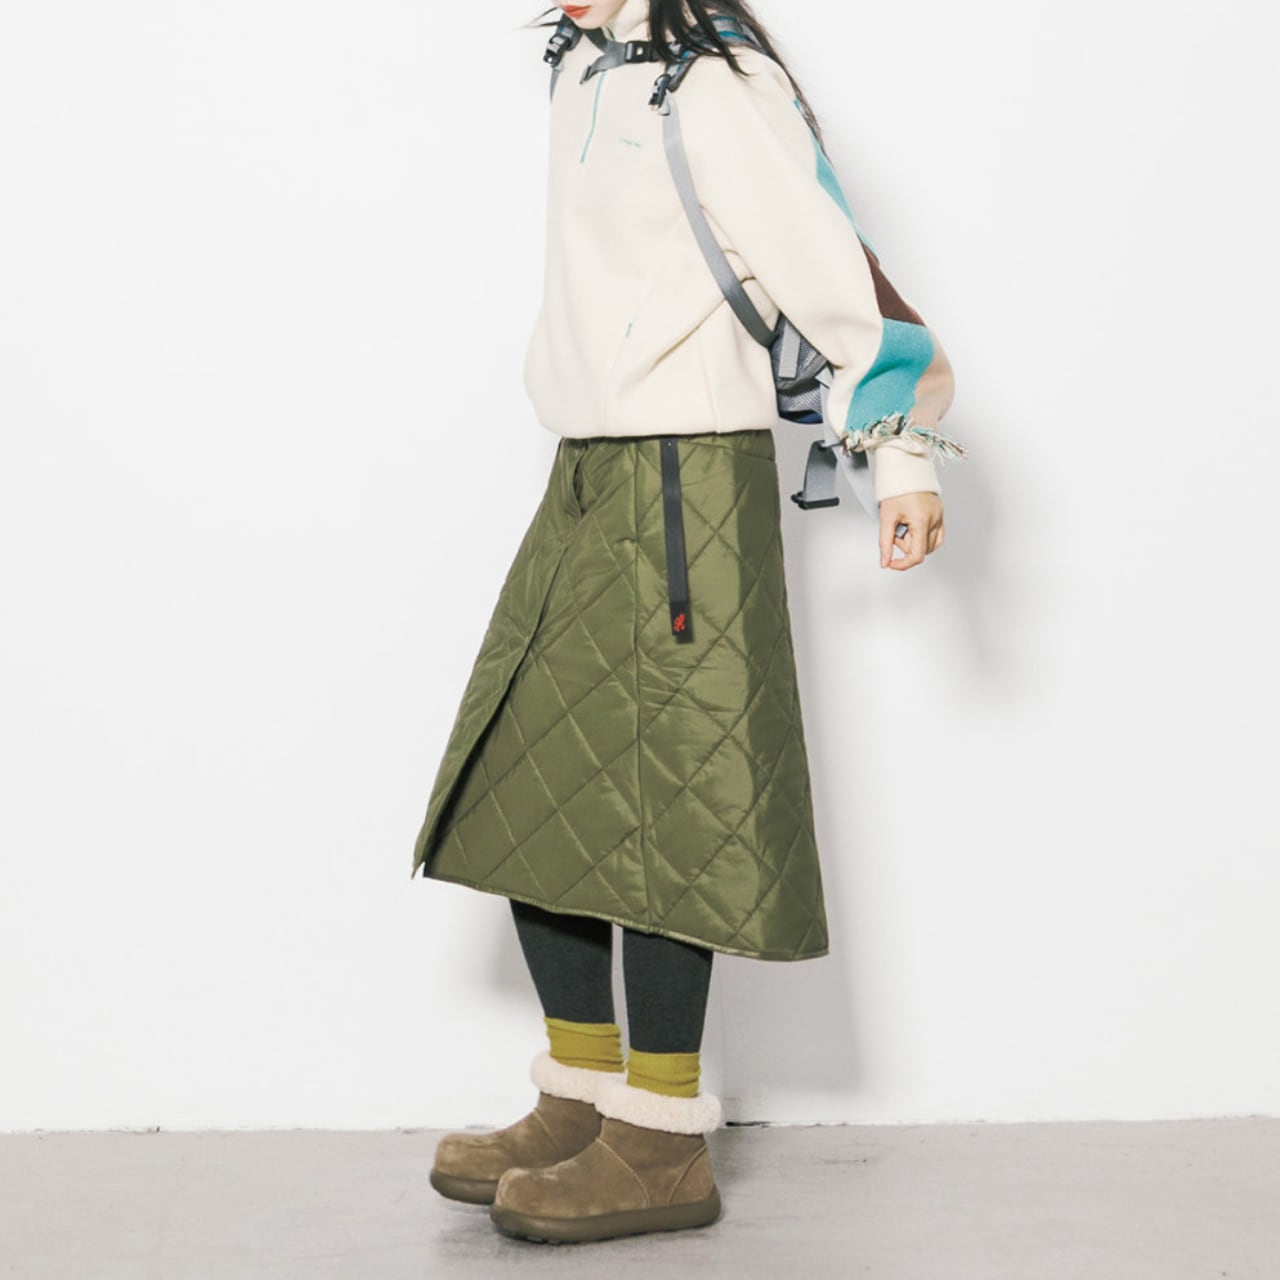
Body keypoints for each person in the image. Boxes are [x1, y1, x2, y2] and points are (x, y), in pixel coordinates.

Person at [412, 0, 965, 1244]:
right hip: (587, 472)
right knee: (529, 783)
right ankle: (578, 1095)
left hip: (683, 482)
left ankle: (659, 1136)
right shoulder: (581, 71)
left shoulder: (712, 87)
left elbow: (835, 274)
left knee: (672, 809)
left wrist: (901, 459)